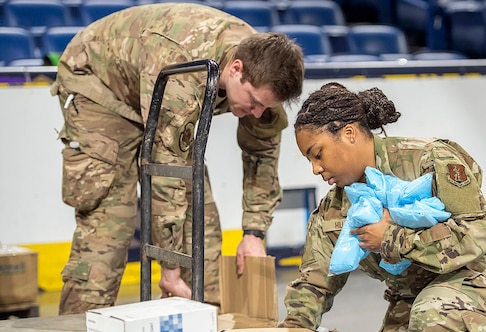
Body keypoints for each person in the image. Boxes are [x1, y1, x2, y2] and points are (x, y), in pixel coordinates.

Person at [279, 82, 486, 332]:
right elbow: (315, 284)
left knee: (437, 315)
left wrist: (391, 238)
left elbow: (477, 232)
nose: (315, 169)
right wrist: (292, 330)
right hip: (417, 296)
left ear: (349, 133)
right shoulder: (335, 210)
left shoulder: (429, 159)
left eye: (317, 154)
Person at [51, 3, 304, 314]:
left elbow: (263, 157)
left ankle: (208, 325)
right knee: (109, 223)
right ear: (236, 69)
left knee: (201, 215)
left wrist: (254, 233)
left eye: (265, 107)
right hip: (102, 87)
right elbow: (166, 170)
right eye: (252, 101)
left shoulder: (264, 77)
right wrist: (169, 268)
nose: (256, 113)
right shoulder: (184, 70)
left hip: (153, 82)